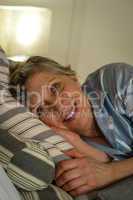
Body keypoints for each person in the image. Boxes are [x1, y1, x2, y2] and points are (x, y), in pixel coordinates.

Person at [9, 56, 133, 196]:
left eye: (55, 87)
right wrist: (77, 142)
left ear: (72, 76)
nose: (57, 105)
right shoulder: (65, 145)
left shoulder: (114, 80)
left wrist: (111, 172)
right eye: (40, 110)